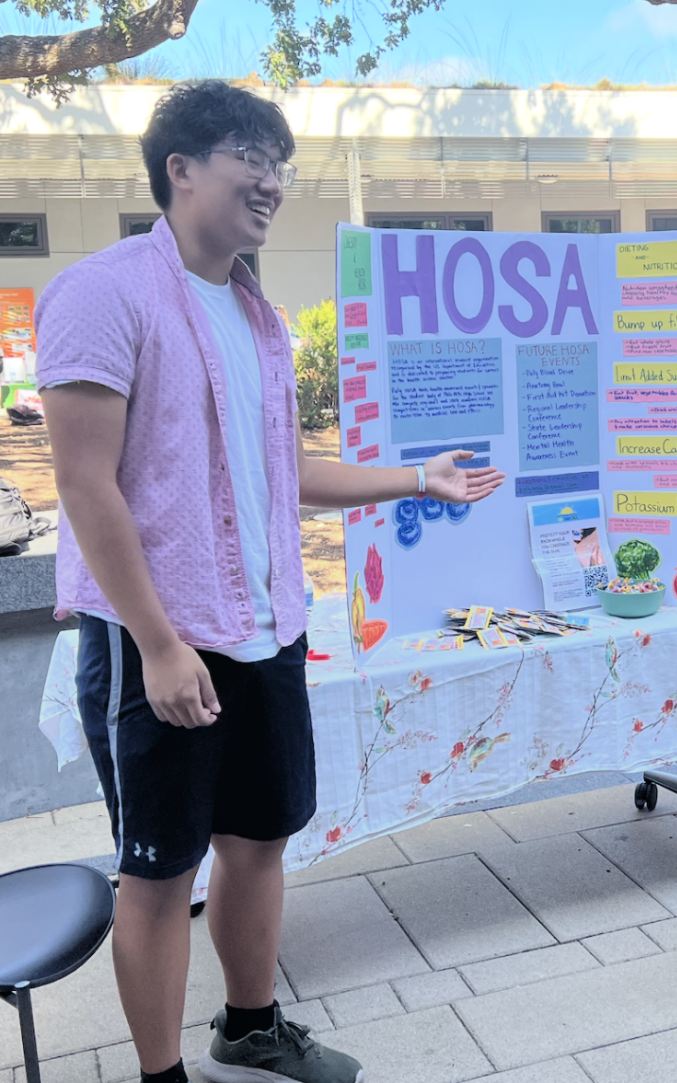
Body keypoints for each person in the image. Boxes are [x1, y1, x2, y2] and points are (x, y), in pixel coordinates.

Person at [35, 81, 504, 1083]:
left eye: (282, 164)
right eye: (254, 155)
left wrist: (419, 477)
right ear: (182, 168)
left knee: (258, 841)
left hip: (267, 629)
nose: (274, 182)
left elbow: (285, 474)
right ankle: (161, 1077)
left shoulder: (258, 317)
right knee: (160, 870)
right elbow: (83, 482)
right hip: (158, 638)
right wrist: (159, 642)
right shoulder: (103, 291)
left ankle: (250, 1027)